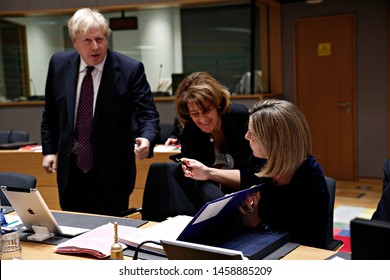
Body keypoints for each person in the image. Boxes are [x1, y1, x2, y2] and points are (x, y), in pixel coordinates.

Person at [41, 8, 160, 216]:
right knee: (73, 236)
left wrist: (148, 139)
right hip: (72, 172)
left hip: (112, 175)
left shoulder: (129, 69)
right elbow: (50, 112)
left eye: (100, 39)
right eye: (87, 40)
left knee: (110, 238)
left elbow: (148, 113)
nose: (96, 46)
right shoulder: (59, 65)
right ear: (75, 42)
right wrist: (49, 150)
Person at [180, 99, 330, 249]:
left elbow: (309, 243)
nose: (246, 137)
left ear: (272, 141)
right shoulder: (262, 161)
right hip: (256, 239)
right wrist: (207, 172)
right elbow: (249, 177)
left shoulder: (310, 179)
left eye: (252, 133)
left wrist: (258, 224)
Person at [174, 71, 252, 210]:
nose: (202, 119)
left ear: (218, 104)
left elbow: (252, 175)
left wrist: (209, 173)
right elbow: (197, 181)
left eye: (206, 110)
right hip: (216, 200)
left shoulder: (240, 117)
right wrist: (223, 207)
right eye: (195, 114)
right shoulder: (190, 132)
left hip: (251, 195)